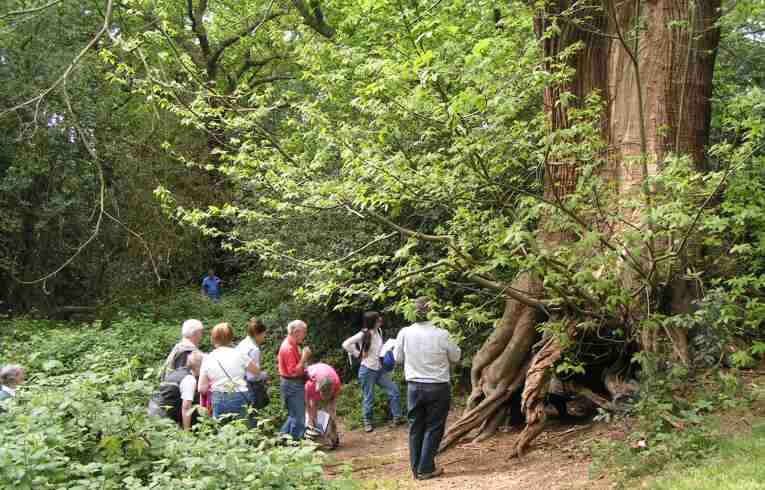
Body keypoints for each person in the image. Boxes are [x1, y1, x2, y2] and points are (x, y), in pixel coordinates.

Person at [394, 297, 461, 481]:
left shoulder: (404, 333)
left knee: (415, 427)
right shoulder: (443, 333)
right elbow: (456, 356)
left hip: (414, 387)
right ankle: (426, 468)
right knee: (434, 427)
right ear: (433, 311)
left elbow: (398, 358)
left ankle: (416, 469)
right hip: (438, 386)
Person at [342, 311, 403, 432]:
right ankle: (367, 422)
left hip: (379, 368)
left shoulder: (379, 332)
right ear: (373, 321)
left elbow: (377, 349)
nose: (380, 320)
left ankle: (397, 417)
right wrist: (357, 354)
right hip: (367, 370)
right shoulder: (363, 334)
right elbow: (346, 344)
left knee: (394, 390)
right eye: (378, 319)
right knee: (369, 397)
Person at [198, 323, 260, 427]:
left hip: (219, 397)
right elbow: (256, 371)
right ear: (231, 337)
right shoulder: (239, 354)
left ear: (213, 338)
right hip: (240, 395)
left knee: (222, 431)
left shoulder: (208, 358)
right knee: (243, 428)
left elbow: (201, 388)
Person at [148, 351, 204, 430]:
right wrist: (186, 431)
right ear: (200, 366)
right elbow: (186, 407)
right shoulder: (189, 380)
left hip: (153, 407)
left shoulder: (178, 371)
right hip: (161, 414)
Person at [278, 320, 311, 440]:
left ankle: (280, 440)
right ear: (296, 332)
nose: (305, 335)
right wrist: (304, 358)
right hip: (292, 385)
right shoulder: (288, 348)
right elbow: (294, 371)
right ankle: (296, 445)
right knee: (299, 418)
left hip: (293, 383)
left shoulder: (294, 344)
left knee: (293, 415)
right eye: (304, 332)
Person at [304, 362, 341, 448]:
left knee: (331, 413)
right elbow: (308, 404)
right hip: (313, 378)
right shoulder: (309, 384)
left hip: (328, 374)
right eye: (323, 394)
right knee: (313, 412)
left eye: (326, 395)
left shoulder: (336, 382)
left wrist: (332, 418)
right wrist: (311, 419)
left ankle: (333, 437)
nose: (324, 398)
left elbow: (333, 404)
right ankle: (315, 437)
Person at [235, 318, 270, 406]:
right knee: (253, 414)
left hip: (237, 383)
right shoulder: (254, 350)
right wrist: (264, 375)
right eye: (263, 334)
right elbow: (252, 376)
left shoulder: (242, 344)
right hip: (249, 386)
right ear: (257, 334)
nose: (264, 336)